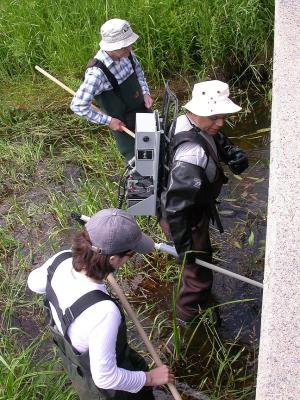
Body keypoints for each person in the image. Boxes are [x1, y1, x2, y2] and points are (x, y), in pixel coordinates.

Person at [28, 208, 174, 400]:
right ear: (114, 259)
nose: (130, 259)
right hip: (105, 391)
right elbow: (105, 378)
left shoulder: (60, 259)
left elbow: (34, 283)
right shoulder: (104, 312)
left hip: (76, 364)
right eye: (130, 254)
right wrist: (150, 378)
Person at [160, 80, 248, 323]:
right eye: (214, 117)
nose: (220, 123)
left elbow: (216, 139)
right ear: (196, 111)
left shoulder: (186, 121)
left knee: (200, 261)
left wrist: (232, 154)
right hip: (187, 217)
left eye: (222, 116)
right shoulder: (191, 155)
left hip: (189, 204)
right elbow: (176, 209)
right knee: (197, 272)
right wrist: (185, 249)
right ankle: (187, 319)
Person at [70, 18, 153, 162]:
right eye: (124, 46)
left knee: (157, 148)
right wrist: (108, 121)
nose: (130, 49)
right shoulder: (97, 73)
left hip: (143, 112)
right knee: (141, 165)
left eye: (130, 44)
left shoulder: (127, 53)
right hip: (125, 127)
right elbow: (78, 105)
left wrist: (145, 92)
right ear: (110, 47)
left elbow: (139, 72)